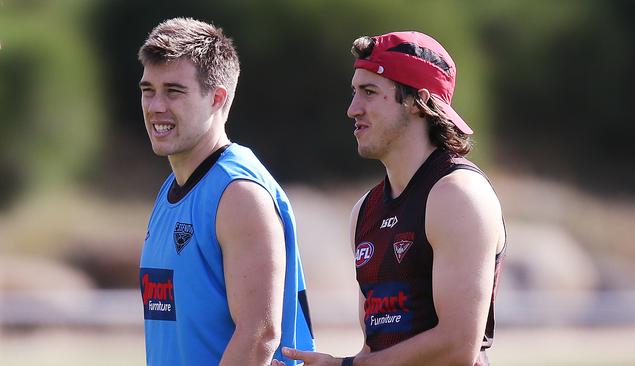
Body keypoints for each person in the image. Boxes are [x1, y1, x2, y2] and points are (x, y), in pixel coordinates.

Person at [273, 31, 506, 366]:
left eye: (369, 92)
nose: (353, 109)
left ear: (417, 101)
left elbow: (457, 347)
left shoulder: (457, 195)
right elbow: (377, 351)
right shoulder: (364, 211)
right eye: (354, 92)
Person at [137, 17, 314, 366]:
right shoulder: (172, 190)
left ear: (217, 98)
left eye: (173, 91)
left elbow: (259, 336)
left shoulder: (239, 194)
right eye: (148, 90)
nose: (156, 105)